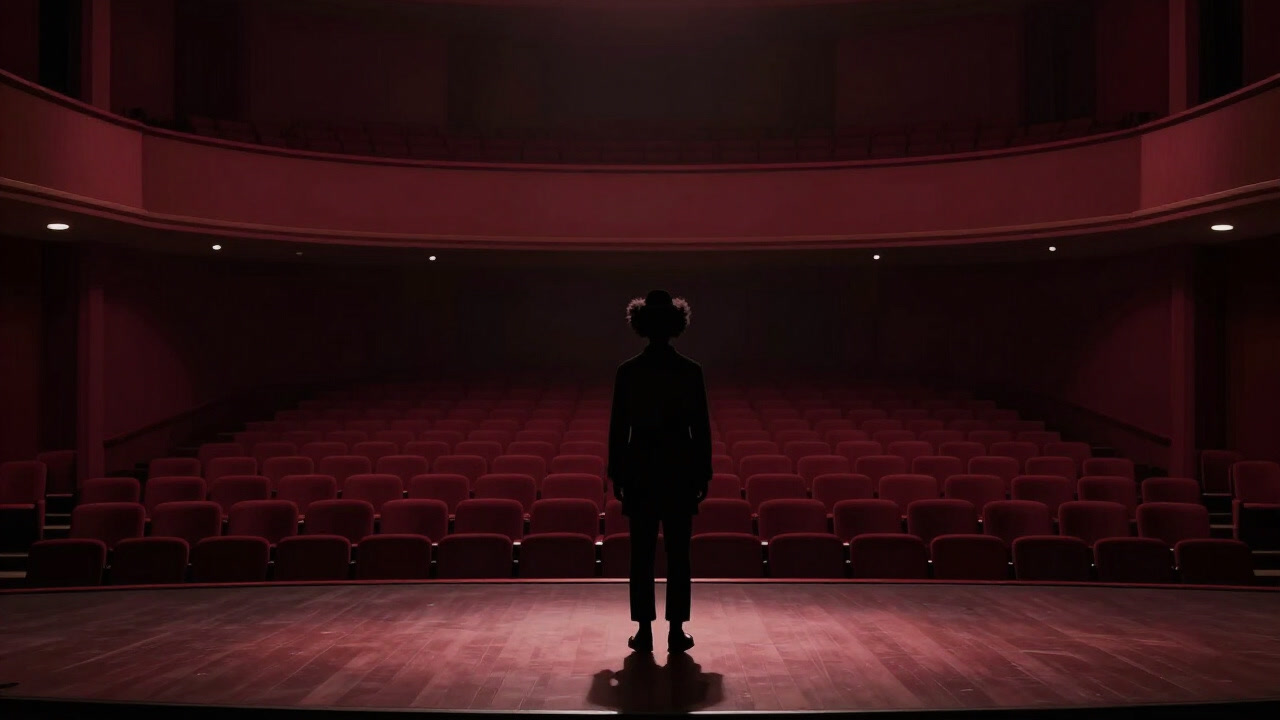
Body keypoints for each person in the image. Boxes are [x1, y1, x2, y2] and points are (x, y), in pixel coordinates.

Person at [608, 290, 712, 654]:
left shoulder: (628, 371)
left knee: (642, 555)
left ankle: (644, 631)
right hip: (680, 467)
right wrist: (703, 475)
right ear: (675, 326)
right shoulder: (690, 371)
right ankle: (676, 631)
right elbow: (701, 429)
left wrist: (617, 475)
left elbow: (619, 430)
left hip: (640, 468)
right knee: (678, 555)